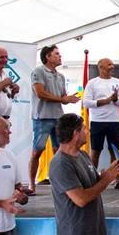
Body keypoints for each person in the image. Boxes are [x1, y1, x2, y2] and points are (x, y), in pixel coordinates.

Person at [28, 45, 79, 194]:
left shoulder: (61, 76)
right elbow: (40, 93)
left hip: (58, 117)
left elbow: (62, 99)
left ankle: (59, 184)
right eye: (56, 54)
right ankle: (32, 184)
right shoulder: (38, 71)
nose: (60, 56)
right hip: (42, 117)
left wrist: (69, 99)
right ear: (48, 57)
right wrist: (62, 99)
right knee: (37, 151)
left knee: (60, 152)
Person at [83, 58, 119, 188]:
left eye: (112, 64)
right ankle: (92, 179)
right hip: (97, 121)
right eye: (109, 65)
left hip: (114, 121)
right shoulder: (92, 83)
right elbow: (86, 102)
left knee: (114, 151)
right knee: (95, 151)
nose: (112, 66)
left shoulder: (118, 82)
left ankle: (117, 180)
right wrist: (105, 101)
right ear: (101, 67)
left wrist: (115, 100)